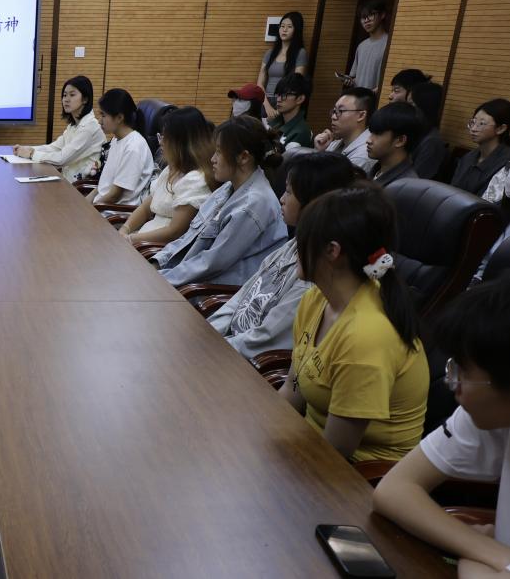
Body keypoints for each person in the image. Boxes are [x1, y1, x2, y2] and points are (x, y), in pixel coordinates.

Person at [279, 183, 428, 463]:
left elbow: (336, 453)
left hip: (357, 474)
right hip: (308, 446)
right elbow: (293, 388)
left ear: (332, 251)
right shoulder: (315, 300)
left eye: (303, 237)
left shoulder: (366, 336)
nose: (295, 247)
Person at [373, 282, 510, 577]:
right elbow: (393, 489)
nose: (453, 384)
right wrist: (490, 551)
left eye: (463, 372)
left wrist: (473, 561)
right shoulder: (489, 414)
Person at [210, 152, 358, 359]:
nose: (281, 199)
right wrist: (208, 333)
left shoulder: (315, 271)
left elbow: (265, 339)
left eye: (289, 192)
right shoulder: (296, 244)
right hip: (227, 347)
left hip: (245, 363)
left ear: (315, 202)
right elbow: (242, 297)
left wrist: (211, 349)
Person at [153, 116, 287, 287]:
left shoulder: (254, 204)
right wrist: (156, 263)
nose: (212, 159)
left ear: (243, 157)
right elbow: (189, 238)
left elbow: (210, 264)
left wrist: (160, 279)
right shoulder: (228, 188)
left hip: (209, 292)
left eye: (219, 152)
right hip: (187, 279)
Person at [119, 106, 214, 246]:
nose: (161, 142)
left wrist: (131, 239)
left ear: (182, 143)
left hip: (155, 250)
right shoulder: (172, 168)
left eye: (165, 138)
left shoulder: (196, 181)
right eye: (160, 136)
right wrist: (124, 229)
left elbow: (174, 232)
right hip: (142, 241)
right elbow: (145, 209)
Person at [13, 75, 104, 181]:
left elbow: (62, 159)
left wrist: (32, 153)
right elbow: (54, 148)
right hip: (67, 181)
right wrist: (26, 149)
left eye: (72, 95)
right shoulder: (73, 126)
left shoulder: (89, 128)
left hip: (78, 187)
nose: (66, 99)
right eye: (64, 95)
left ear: (85, 99)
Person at [86, 89, 154, 206]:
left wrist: (91, 208)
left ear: (119, 118)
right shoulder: (116, 139)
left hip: (115, 211)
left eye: (103, 115)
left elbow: (115, 195)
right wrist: (85, 203)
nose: (99, 121)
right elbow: (104, 184)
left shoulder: (134, 147)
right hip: (102, 205)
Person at [452, 99, 510, 198]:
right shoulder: (469, 157)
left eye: (482, 124)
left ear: (501, 129)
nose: (473, 128)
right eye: (473, 122)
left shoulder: (507, 165)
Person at [314, 87, 378, 174]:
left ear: (361, 115)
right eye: (334, 111)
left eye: (340, 111)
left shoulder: (363, 156)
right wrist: (320, 152)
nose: (333, 117)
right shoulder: (337, 142)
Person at [366, 102, 425, 187]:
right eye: (371, 132)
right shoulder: (375, 171)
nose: (368, 140)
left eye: (378, 133)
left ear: (400, 141)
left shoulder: (407, 187)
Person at [338, 0, 390, 93]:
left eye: (371, 15)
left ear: (382, 15)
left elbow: (391, 79)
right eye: (363, 17)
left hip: (375, 99)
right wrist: (350, 80)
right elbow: (356, 77)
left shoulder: (389, 44)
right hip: (358, 98)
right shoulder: (361, 46)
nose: (366, 20)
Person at [257, 11, 309, 96]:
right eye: (282, 26)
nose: (284, 30)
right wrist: (265, 101)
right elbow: (260, 84)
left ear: (297, 30)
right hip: (266, 98)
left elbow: (296, 83)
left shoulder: (300, 53)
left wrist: (281, 101)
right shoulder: (269, 53)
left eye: (289, 27)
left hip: (286, 99)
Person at [409, 81, 449, 180]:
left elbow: (415, 181)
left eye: (411, 105)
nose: (407, 109)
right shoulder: (417, 132)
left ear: (425, 107)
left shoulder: (432, 142)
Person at [266, 73, 312, 150]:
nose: (279, 99)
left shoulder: (301, 132)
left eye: (284, 95)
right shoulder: (274, 122)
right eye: (278, 94)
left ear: (300, 99)